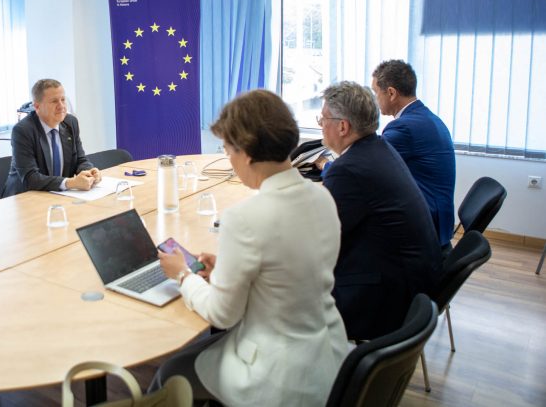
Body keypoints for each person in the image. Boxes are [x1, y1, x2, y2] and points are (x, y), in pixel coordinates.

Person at [151, 90, 347, 406]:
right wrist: (227, 268)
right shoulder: (322, 197)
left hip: (274, 376)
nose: (228, 158)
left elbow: (221, 314)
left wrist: (183, 275)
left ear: (246, 152)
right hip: (327, 357)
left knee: (169, 373)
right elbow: (287, 269)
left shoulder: (244, 218)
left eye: (227, 149)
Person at [319, 81, 442, 340]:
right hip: (412, 284)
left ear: (342, 126)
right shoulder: (378, 148)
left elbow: (321, 239)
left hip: (387, 297)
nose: (321, 125)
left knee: (283, 288)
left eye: (323, 119)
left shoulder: (348, 170)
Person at [372, 60, 456, 249]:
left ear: (391, 93)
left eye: (376, 92)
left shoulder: (404, 127)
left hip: (423, 226)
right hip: (439, 221)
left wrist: (326, 165)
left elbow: (368, 163)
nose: (375, 99)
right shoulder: (427, 118)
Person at [3, 79, 100, 196]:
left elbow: (80, 159)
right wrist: (70, 183)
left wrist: (89, 172)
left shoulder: (71, 122)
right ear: (37, 106)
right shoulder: (23, 130)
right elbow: (30, 178)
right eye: (54, 101)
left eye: (63, 100)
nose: (61, 106)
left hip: (58, 194)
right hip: (25, 196)